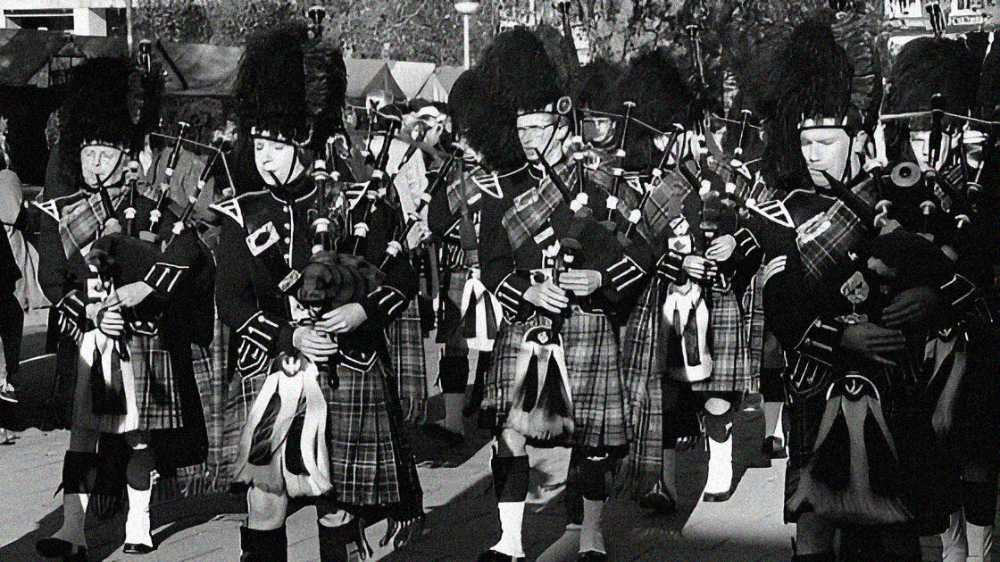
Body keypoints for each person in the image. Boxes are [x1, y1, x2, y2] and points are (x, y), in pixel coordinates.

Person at [749, 19, 979, 560]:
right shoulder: (782, 211)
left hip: (895, 382)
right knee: (813, 521)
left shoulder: (898, 197)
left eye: (826, 142)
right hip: (820, 381)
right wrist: (841, 337)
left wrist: (933, 300)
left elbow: (959, 281)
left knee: (899, 528)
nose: (813, 154)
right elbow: (781, 301)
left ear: (855, 139)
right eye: (805, 142)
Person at [213, 25, 424, 561]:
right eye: (258, 145)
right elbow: (231, 298)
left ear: (304, 138)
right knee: (265, 501)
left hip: (348, 369)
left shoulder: (356, 203)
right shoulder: (244, 212)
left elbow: (401, 277)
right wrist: (290, 335)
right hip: (274, 368)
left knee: (337, 506)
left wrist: (360, 312)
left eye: (275, 146)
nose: (264, 158)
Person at [476, 28, 652, 562]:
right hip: (529, 323)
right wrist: (527, 290)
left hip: (588, 321)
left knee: (592, 442)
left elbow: (645, 250)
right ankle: (509, 540)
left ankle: (591, 532)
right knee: (509, 434)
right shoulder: (503, 187)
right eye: (521, 127)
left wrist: (601, 279)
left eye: (538, 127)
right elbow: (493, 266)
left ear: (562, 121)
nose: (529, 138)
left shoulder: (601, 181)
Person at [33, 56, 213, 559]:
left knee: (137, 437)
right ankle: (72, 529)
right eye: (88, 152)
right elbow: (53, 277)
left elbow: (189, 250)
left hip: (138, 337)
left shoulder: (149, 204)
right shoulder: (66, 209)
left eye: (105, 152)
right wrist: (92, 314)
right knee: (82, 435)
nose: (94, 163)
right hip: (91, 336)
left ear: (124, 154)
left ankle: (139, 523)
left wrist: (143, 289)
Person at [881, 35, 1000, 562]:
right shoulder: (895, 179)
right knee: (933, 449)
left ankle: (980, 546)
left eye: (930, 128)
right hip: (922, 339)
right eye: (915, 130)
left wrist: (942, 289)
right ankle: (953, 547)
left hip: (977, 328)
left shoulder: (984, 175)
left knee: (977, 449)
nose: (923, 139)